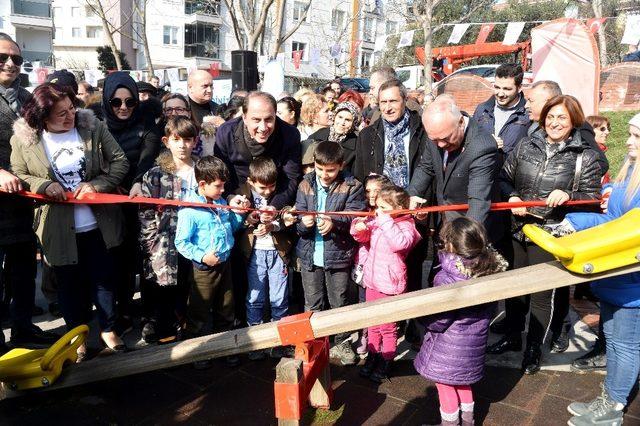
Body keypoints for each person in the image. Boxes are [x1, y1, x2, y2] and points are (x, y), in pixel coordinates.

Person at [10, 83, 130, 358]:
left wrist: (97, 185)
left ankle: (108, 329)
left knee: (103, 280)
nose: (70, 116)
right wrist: (42, 185)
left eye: (71, 109)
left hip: (99, 224)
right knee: (68, 284)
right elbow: (19, 172)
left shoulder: (93, 128)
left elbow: (120, 162)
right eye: (60, 114)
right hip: (57, 227)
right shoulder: (25, 140)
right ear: (41, 118)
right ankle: (77, 335)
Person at [491, 95, 603, 375]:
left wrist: (568, 194)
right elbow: (504, 178)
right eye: (551, 117)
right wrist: (513, 197)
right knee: (515, 289)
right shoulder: (526, 144)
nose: (554, 123)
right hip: (519, 229)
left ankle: (533, 348)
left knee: (542, 296)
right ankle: (513, 336)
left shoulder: (584, 156)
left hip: (552, 233)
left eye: (561, 118)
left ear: (573, 120)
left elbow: (593, 198)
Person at [563, 112, 640, 426]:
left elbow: (627, 233)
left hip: (632, 284)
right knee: (613, 339)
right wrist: (576, 223)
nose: (629, 141)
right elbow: (614, 224)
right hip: (615, 277)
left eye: (636, 137)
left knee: (625, 344)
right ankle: (609, 396)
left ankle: (614, 407)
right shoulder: (631, 170)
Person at [414, 217, 508, 426]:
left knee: (445, 385)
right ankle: (468, 421)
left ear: (450, 244)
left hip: (448, 344)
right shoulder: (489, 271)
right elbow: (492, 309)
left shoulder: (447, 277)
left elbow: (440, 318)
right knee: (463, 382)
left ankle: (449, 424)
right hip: (474, 341)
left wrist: (425, 321)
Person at [0, 33, 60, 352]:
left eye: (16, 59)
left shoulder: (28, 98)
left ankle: (23, 328)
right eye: (3, 57)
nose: (10, 63)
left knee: (24, 270)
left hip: (25, 200)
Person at [291, 140, 365, 365]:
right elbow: (298, 220)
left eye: (331, 170)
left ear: (341, 165)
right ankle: (311, 342)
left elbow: (356, 215)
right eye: (320, 169)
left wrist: (334, 222)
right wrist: (303, 222)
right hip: (310, 255)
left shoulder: (353, 186)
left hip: (338, 254)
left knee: (339, 301)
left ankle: (341, 343)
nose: (324, 174)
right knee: (312, 301)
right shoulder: (305, 183)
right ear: (314, 163)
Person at [102, 71, 161, 333]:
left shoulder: (146, 123)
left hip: (141, 196)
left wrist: (139, 180)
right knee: (119, 259)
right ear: (107, 101)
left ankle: (150, 313)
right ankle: (123, 310)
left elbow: (148, 156)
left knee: (147, 256)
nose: (124, 107)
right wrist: (109, 182)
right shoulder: (98, 125)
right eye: (116, 102)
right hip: (111, 200)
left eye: (130, 102)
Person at [174, 156, 247, 367]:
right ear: (202, 184)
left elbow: (229, 227)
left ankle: (224, 347)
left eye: (224, 185)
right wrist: (202, 256)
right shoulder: (190, 210)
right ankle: (197, 352)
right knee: (199, 310)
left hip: (225, 264)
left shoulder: (220, 202)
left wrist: (239, 216)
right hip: (204, 269)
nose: (223, 190)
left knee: (226, 307)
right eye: (218, 186)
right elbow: (181, 242)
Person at [352, 184, 421, 382]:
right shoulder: (379, 220)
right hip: (373, 282)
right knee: (373, 324)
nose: (378, 212)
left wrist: (384, 221)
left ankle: (386, 359)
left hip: (390, 286)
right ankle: (373, 356)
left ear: (398, 208)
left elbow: (400, 243)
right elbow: (362, 238)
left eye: (383, 208)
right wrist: (359, 227)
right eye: (377, 208)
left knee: (388, 328)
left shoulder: (407, 227)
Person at [138, 116, 198, 344]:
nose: (183, 145)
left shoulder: (201, 168)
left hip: (194, 240)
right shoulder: (155, 174)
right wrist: (150, 244)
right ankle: (163, 329)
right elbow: (145, 212)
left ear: (195, 141)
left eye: (188, 139)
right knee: (163, 287)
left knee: (189, 286)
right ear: (167, 141)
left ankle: (186, 328)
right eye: (177, 139)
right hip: (164, 243)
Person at [408, 95, 500, 228]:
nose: (440, 145)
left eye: (446, 138)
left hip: (470, 225)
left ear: (461, 122)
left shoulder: (482, 146)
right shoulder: (437, 131)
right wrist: (412, 196)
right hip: (444, 220)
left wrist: (466, 239)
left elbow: (478, 201)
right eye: (434, 139)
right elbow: (426, 168)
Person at [235, 157, 295, 360]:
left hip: (278, 253)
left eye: (272, 186)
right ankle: (257, 342)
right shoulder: (242, 194)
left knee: (279, 299)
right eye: (262, 187)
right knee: (255, 298)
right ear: (251, 182)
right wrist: (248, 220)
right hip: (254, 253)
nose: (268, 191)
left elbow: (288, 215)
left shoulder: (281, 193)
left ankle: (281, 341)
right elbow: (236, 222)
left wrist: (275, 224)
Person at [215, 91, 301, 210]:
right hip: (238, 202)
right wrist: (230, 198)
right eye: (256, 120)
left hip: (276, 200)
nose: (263, 127)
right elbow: (220, 173)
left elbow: (291, 178)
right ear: (244, 117)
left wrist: (273, 207)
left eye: (269, 119)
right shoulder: (226, 133)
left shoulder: (289, 134)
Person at [354, 79, 428, 189]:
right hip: (379, 202)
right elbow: (360, 176)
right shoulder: (366, 135)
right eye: (383, 102)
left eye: (393, 101)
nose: (387, 108)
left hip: (416, 201)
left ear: (405, 100)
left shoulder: (424, 130)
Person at [351, 174, 391, 356]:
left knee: (384, 307)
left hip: (383, 271)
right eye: (368, 191)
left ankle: (385, 340)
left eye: (377, 191)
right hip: (364, 266)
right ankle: (364, 335)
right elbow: (358, 236)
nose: (372, 195)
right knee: (363, 303)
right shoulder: (362, 211)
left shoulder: (391, 212)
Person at [472, 63, 530, 157]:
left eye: (507, 89)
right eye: (497, 87)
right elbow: (470, 140)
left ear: (519, 88)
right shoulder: (482, 109)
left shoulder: (528, 114)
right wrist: (487, 142)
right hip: (484, 169)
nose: (500, 94)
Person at [308, 101, 360, 172]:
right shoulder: (317, 136)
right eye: (340, 117)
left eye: (347, 120)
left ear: (353, 124)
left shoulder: (356, 145)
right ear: (334, 117)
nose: (342, 123)